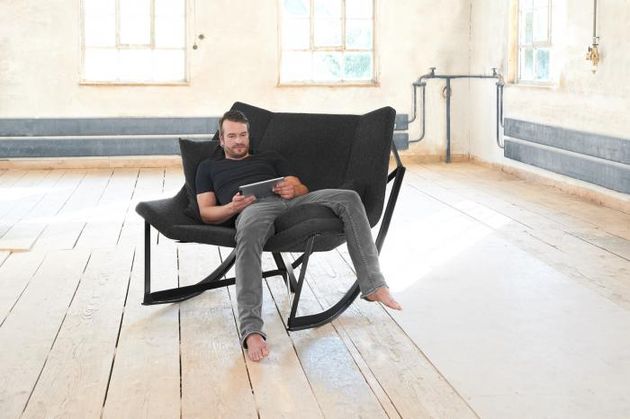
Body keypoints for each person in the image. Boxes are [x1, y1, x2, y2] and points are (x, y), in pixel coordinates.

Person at [196, 110, 401, 362]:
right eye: (232, 136)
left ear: (249, 135)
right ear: (221, 139)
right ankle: (251, 329)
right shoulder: (208, 168)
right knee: (248, 239)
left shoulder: (270, 158)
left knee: (348, 197)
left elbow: (302, 187)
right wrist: (232, 208)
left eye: (243, 135)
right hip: (252, 209)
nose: (238, 141)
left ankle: (373, 285)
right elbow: (206, 212)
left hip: (292, 203)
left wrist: (292, 189)